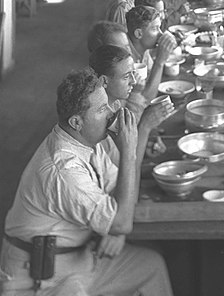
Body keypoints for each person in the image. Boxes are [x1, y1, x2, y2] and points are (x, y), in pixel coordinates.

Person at [0, 68, 174, 296]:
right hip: (42, 279)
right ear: (76, 122)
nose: (112, 113)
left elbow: (119, 191)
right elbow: (122, 222)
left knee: (151, 267)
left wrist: (115, 231)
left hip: (79, 258)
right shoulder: (63, 170)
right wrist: (130, 149)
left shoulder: (87, 142)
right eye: (102, 109)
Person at [89, 45, 173, 151]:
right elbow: (128, 165)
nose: (133, 81)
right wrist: (145, 126)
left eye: (133, 74)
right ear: (105, 81)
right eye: (126, 77)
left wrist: (144, 146)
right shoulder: (99, 123)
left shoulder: (115, 104)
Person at [126, 5, 177, 100]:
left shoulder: (144, 50)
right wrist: (159, 61)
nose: (160, 34)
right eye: (155, 29)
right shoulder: (126, 59)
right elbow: (145, 98)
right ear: (139, 34)